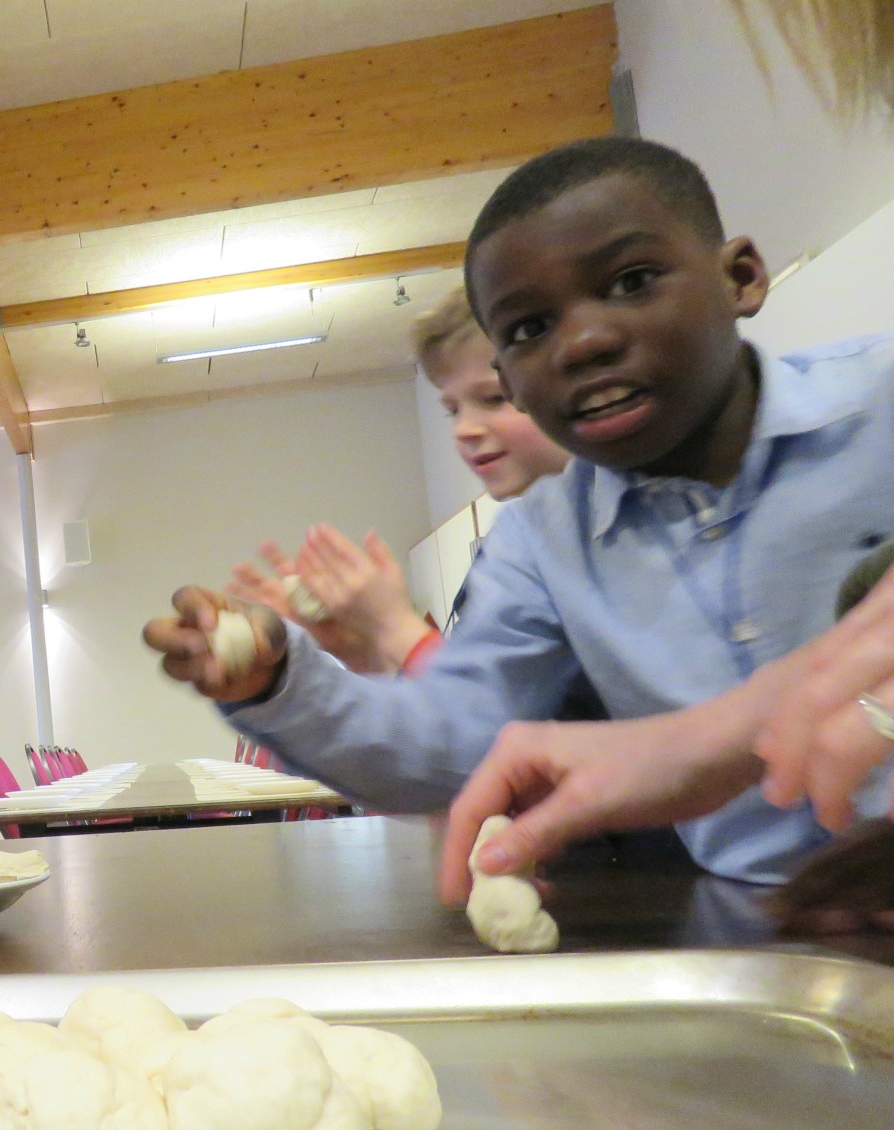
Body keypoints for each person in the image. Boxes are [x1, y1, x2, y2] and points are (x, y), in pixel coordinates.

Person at [142, 135, 894, 901]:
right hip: (768, 924)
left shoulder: (879, 403)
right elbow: (457, 741)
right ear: (512, 376)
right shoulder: (542, 540)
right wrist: (278, 681)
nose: (585, 342)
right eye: (530, 329)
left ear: (741, 277)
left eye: (632, 281)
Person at [231, 291, 574, 675]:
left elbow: (495, 711)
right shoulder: (520, 538)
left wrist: (392, 626)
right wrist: (364, 653)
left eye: (494, 398)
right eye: (452, 410)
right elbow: (459, 714)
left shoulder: (605, 543)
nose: (464, 430)